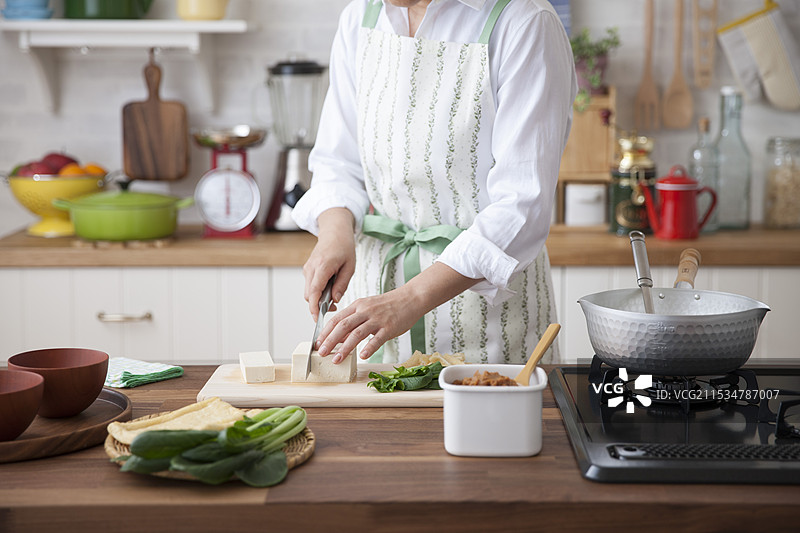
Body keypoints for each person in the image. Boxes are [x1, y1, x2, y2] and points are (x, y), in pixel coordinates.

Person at [292, 0, 577, 365]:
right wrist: (334, 234)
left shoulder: (524, 22)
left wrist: (411, 298)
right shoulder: (360, 18)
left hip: (492, 331)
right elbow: (338, 161)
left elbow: (521, 206)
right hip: (374, 307)